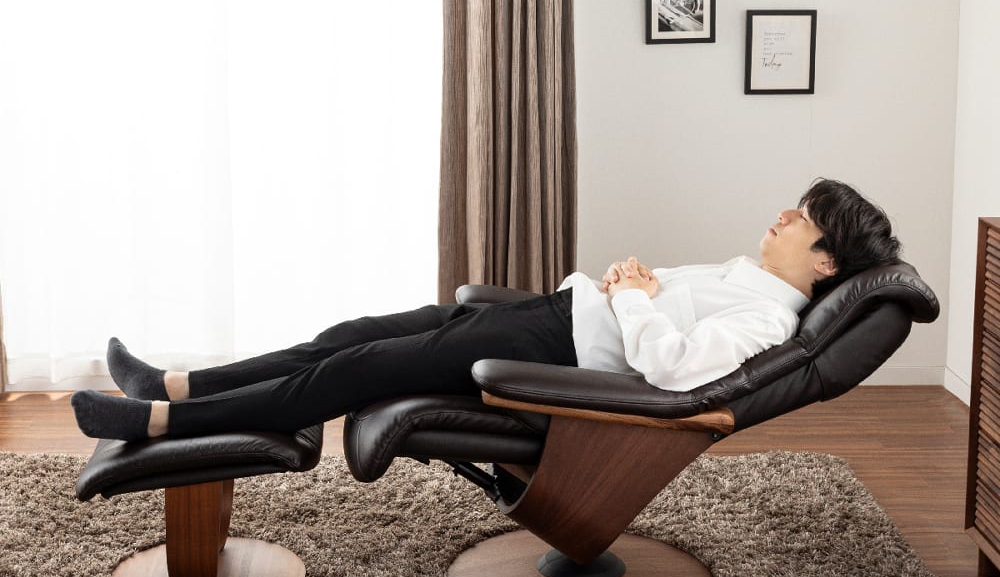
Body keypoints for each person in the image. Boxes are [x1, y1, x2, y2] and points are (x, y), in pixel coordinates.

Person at [71, 178, 901, 443]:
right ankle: (176, 383)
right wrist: (632, 282)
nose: (782, 216)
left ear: (826, 263)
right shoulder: (744, 278)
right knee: (348, 336)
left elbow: (675, 371)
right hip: (553, 313)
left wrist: (632, 297)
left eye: (802, 219)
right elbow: (658, 312)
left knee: (356, 371)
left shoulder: (767, 321)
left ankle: (163, 424)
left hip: (554, 351)